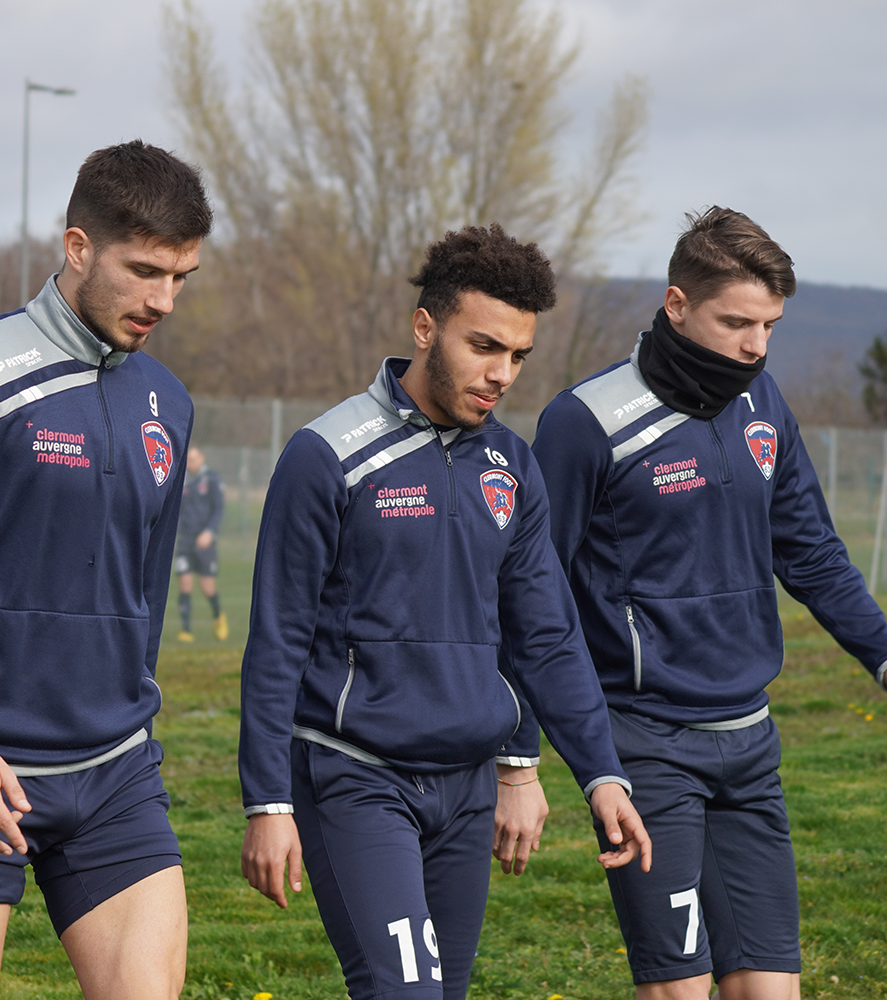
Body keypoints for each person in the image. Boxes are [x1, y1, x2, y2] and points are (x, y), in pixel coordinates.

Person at [529, 207, 887, 999]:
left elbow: (813, 553)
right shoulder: (585, 423)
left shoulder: (762, 403)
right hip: (645, 745)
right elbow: (530, 596)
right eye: (736, 323)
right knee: (680, 987)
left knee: (770, 989)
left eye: (769, 326)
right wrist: (517, 760)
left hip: (749, 744)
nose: (756, 346)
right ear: (676, 305)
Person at [238, 225, 652, 1000]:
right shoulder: (328, 455)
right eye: (483, 346)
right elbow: (277, 640)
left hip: (466, 788)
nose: (501, 374)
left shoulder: (512, 465)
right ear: (425, 327)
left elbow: (544, 636)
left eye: (518, 355)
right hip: (356, 776)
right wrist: (268, 802)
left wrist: (598, 774)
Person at [0, 140, 210, 1000]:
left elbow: (146, 586)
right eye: (145, 271)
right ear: (78, 247)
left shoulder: (168, 401)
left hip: (115, 771)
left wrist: (133, 707)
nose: (163, 300)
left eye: (181, 277)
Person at [174, 445, 227, 641]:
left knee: (207, 587)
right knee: (185, 583)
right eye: (188, 460)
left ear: (202, 458)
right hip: (185, 540)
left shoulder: (212, 479)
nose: (190, 464)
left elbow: (219, 509)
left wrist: (209, 532)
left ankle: (218, 616)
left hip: (204, 540)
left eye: (193, 459)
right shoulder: (182, 480)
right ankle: (186, 631)